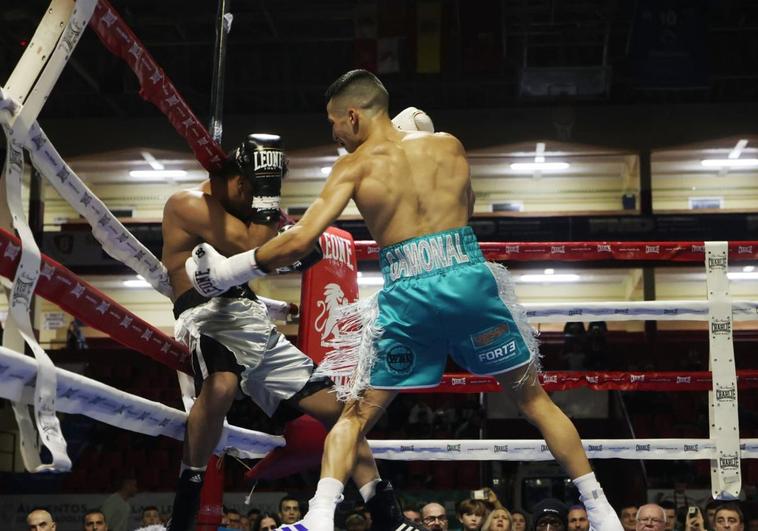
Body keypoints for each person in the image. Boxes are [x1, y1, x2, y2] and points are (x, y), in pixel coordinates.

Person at [185, 69, 622, 531]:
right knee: (534, 400)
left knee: (354, 415)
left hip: (410, 295)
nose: (333, 135)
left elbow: (299, 243)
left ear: (353, 115)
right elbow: (465, 209)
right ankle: (602, 512)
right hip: (467, 280)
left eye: (334, 123)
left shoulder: (354, 166)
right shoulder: (448, 145)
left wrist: (229, 271)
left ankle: (318, 517)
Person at [163, 134, 414, 530]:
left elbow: (288, 251)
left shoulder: (241, 210)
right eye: (257, 192)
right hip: (207, 318)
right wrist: (272, 214)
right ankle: (183, 514)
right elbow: (254, 250)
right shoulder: (187, 203)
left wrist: (295, 242)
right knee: (222, 386)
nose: (257, 205)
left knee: (343, 411)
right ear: (244, 183)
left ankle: (388, 516)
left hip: (254, 324)